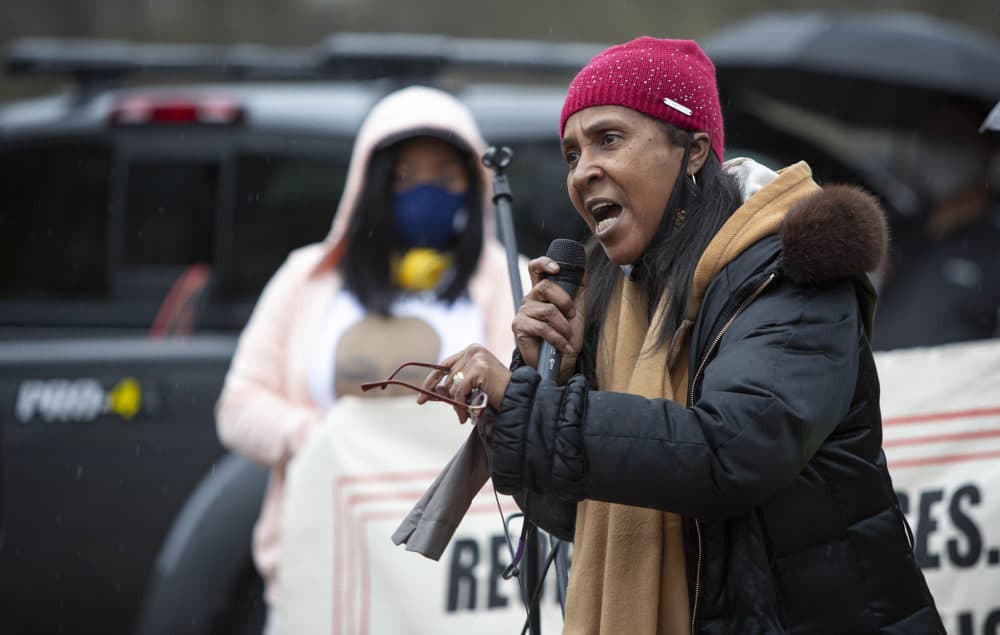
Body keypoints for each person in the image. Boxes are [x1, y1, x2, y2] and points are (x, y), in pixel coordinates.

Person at [420, 38, 944, 633]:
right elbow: (579, 515)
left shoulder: (791, 274)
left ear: (693, 152)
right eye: (571, 154)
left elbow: (732, 451)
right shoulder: (609, 297)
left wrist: (539, 413)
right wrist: (545, 377)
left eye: (609, 139)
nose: (584, 169)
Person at [215, 85, 520, 633]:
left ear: (472, 185)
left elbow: (522, 406)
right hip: (325, 562)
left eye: (446, 175)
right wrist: (326, 440)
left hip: (454, 580)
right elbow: (239, 408)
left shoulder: (504, 280)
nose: (427, 191)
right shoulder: (306, 280)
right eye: (407, 174)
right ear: (371, 185)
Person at [874, 98, 1000, 350]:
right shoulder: (897, 228)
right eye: (932, 136)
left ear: (985, 148)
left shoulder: (993, 245)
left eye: (954, 137)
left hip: (956, 386)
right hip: (879, 381)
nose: (941, 149)